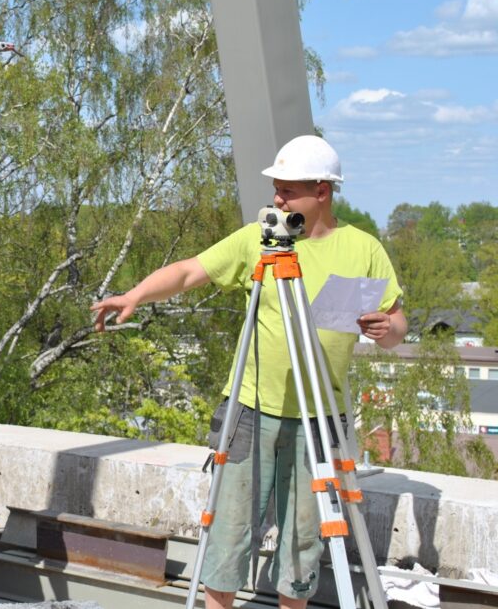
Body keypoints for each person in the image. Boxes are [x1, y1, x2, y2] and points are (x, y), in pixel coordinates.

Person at [91, 135, 407, 609]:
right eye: (276, 189)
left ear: (322, 191)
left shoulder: (363, 248)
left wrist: (387, 329)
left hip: (319, 418)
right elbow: (188, 271)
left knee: (303, 538)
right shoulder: (259, 239)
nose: (278, 199)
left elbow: (397, 322)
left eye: (289, 190)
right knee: (231, 531)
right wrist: (136, 294)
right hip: (253, 409)